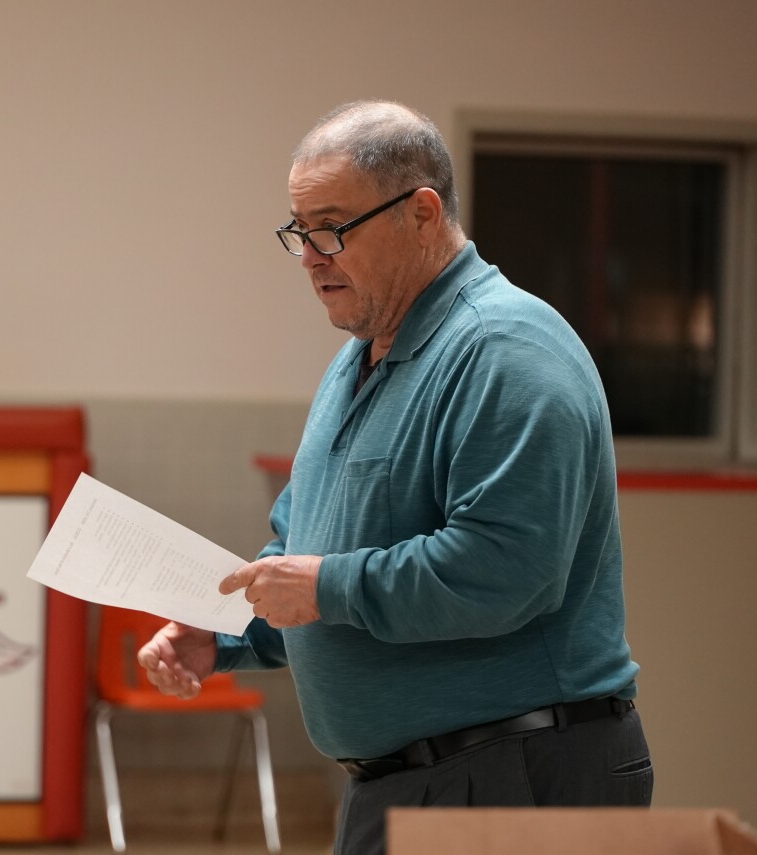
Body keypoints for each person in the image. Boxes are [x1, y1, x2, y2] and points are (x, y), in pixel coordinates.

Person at [138, 100, 652, 853]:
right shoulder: (362, 358)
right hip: (412, 778)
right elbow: (303, 551)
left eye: (332, 227)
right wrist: (226, 640)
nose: (312, 254)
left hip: (515, 773)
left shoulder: (504, 351)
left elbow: (507, 570)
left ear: (421, 212)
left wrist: (324, 585)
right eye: (298, 230)